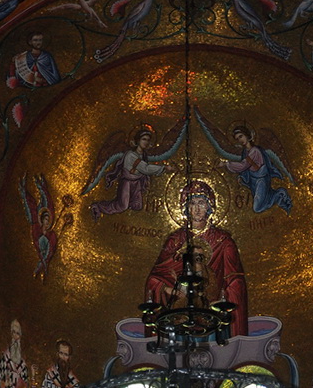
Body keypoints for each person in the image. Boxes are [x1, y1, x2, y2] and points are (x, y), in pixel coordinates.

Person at [145, 180, 248, 336]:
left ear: (209, 206)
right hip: (178, 312)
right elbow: (155, 278)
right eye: (192, 203)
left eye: (201, 203)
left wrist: (223, 297)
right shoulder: (175, 240)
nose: (197, 208)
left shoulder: (223, 241)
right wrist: (166, 289)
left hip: (213, 313)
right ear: (186, 208)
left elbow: (235, 280)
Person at [90, 127, 174, 220]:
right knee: (122, 206)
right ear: (138, 141)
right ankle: (99, 206)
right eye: (144, 139)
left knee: (137, 206)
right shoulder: (131, 155)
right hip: (127, 182)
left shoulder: (143, 155)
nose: (146, 142)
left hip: (136, 183)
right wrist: (164, 168)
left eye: (148, 140)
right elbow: (145, 168)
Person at [219, 124, 292, 215]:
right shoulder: (245, 152)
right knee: (260, 203)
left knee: (257, 208)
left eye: (241, 136)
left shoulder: (255, 151)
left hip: (261, 180)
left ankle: (279, 194)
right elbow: (245, 168)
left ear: (247, 135)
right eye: (237, 139)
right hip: (253, 181)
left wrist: (226, 164)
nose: (240, 140)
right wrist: (243, 177)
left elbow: (243, 165)